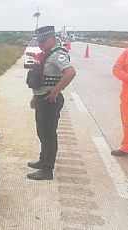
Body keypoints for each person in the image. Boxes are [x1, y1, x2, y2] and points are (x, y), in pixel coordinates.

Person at [27, 26, 77, 180]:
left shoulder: (58, 54)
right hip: (42, 98)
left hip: (50, 100)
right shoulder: (47, 53)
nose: (40, 44)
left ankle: (47, 171)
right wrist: (36, 96)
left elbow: (70, 72)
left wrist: (55, 91)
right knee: (42, 133)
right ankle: (43, 161)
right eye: (39, 41)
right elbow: (42, 77)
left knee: (48, 135)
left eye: (43, 41)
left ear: (51, 38)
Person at [111, 49, 128, 157]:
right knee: (127, 123)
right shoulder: (126, 53)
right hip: (127, 97)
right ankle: (126, 147)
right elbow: (116, 69)